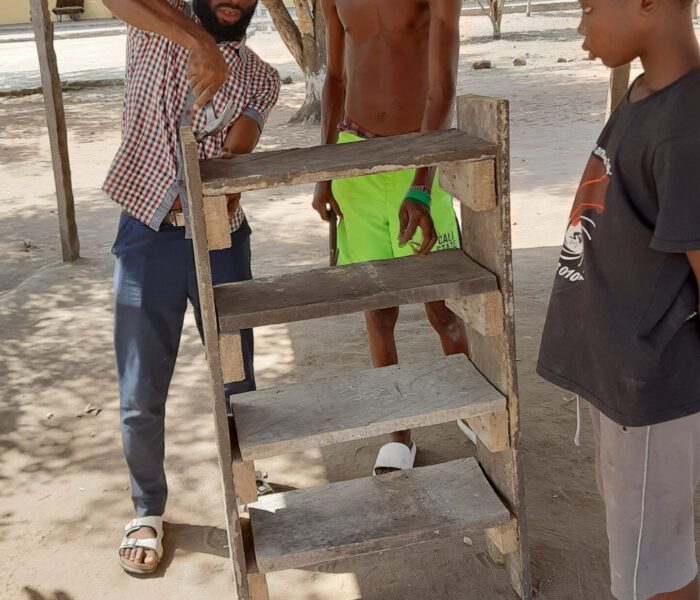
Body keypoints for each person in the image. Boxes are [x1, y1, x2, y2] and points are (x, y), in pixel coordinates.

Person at [102, 0, 280, 575]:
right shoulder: (157, 25)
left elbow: (246, 134)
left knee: (237, 380)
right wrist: (197, 43)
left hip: (221, 239)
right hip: (146, 235)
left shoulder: (258, 72)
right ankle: (147, 509)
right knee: (140, 388)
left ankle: (244, 486)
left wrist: (235, 152)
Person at [537, 2, 700, 599]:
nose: (582, 25)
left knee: (654, 572)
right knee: (644, 553)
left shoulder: (687, 127)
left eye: (588, 7)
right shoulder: (642, 96)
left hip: (654, 390)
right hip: (626, 378)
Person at [314, 0, 467, 476]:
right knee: (378, 310)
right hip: (355, 160)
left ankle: (467, 400)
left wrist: (422, 181)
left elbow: (443, 85)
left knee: (442, 308)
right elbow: (336, 81)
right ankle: (398, 434)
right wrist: (326, 170)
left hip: (417, 155)